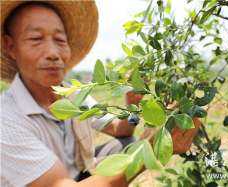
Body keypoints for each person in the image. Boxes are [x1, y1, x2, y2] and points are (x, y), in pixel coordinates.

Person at [0, 1, 200, 187]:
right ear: (11, 47)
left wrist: (132, 106)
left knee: (128, 145)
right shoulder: (5, 120)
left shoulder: (72, 94)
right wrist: (153, 150)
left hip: (78, 175)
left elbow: (118, 130)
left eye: (60, 40)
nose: (53, 53)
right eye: (36, 39)